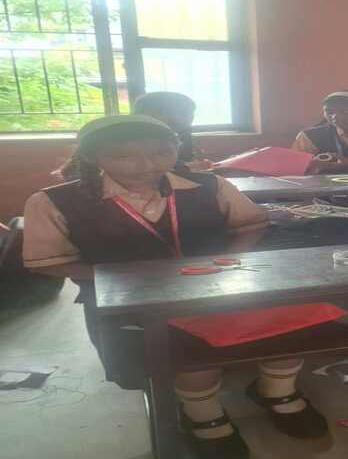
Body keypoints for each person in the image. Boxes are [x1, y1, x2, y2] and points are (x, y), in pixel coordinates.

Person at [23, 115, 326, 459]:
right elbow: (47, 262)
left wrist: (227, 261)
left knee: (291, 317)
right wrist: (121, 278)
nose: (147, 165)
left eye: (162, 152)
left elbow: (250, 225)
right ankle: (203, 412)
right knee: (185, 346)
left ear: (177, 149)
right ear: (92, 157)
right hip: (130, 300)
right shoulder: (55, 201)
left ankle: (276, 390)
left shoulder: (209, 185)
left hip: (217, 287)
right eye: (124, 156)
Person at [133, 91, 213, 171]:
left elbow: (185, 158)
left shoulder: (179, 134)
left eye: (192, 113)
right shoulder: (141, 139)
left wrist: (195, 164)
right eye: (184, 113)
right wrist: (187, 166)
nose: (191, 118)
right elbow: (151, 167)